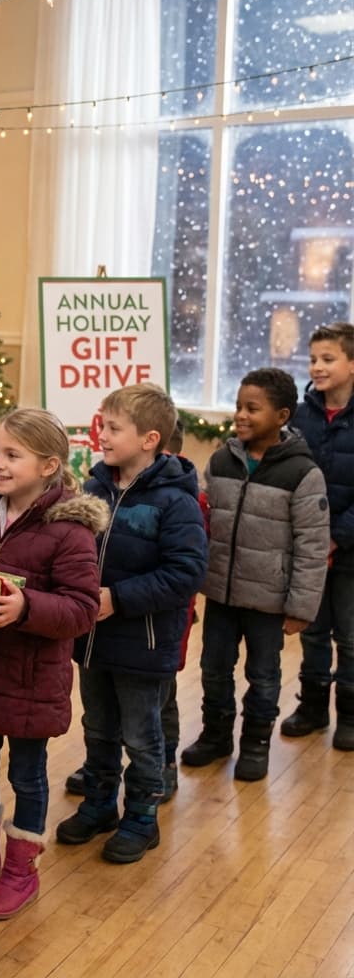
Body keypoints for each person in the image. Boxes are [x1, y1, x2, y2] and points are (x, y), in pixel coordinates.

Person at [0, 408, 106, 921]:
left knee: (28, 777)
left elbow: (82, 608)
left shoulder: (69, 529)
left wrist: (26, 608)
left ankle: (20, 870)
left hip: (31, 679)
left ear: (50, 465)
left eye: (13, 455)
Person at [55, 383, 206, 864]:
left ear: (149, 439)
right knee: (98, 727)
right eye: (102, 423)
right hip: (94, 640)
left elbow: (185, 573)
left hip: (143, 642)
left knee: (142, 736)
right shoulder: (95, 488)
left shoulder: (175, 502)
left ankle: (142, 817)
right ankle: (100, 804)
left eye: (114, 427)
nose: (101, 432)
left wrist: (118, 598)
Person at [182, 368, 330, 781]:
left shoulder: (303, 474)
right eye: (238, 407)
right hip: (222, 596)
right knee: (213, 669)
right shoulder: (221, 461)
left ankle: (256, 743)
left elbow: (313, 546)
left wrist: (302, 606)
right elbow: (205, 524)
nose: (241, 416)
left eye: (253, 408)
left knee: (263, 676)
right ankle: (216, 736)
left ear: (282, 415)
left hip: (268, 600)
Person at [281, 323, 354, 750]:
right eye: (313, 359)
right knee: (311, 628)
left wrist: (336, 536)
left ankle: (348, 711)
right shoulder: (302, 412)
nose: (317, 367)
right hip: (308, 548)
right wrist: (312, 537)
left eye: (328, 359)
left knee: (349, 634)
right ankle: (311, 706)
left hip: (348, 550)